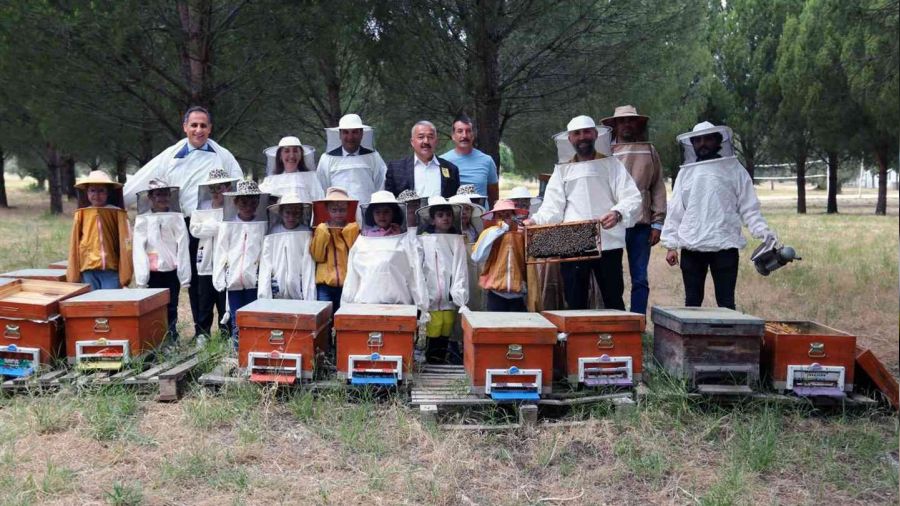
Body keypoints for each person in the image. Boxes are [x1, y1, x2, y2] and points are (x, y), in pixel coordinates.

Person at [123, 106, 244, 339]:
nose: (198, 130)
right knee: (195, 281)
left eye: (203, 125)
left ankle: (228, 329)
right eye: (194, 125)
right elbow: (143, 178)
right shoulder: (171, 155)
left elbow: (238, 186)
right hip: (184, 225)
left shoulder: (223, 155)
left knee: (221, 275)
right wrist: (117, 200)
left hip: (219, 225)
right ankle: (200, 332)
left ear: (210, 128)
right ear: (185, 127)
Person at [524, 115, 642, 311]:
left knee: (613, 297)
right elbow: (552, 207)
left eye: (586, 132)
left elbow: (632, 197)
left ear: (595, 134)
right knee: (575, 300)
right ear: (570, 139)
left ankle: (618, 340)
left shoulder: (612, 165)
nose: (582, 137)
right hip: (572, 240)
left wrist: (618, 213)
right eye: (577, 134)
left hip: (607, 239)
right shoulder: (562, 170)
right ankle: (577, 341)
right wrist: (534, 220)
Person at [661, 121, 776, 310]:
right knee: (692, 303)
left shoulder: (735, 169)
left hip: (725, 245)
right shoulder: (686, 173)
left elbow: (749, 207)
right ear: (692, 144)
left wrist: (762, 232)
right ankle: (692, 340)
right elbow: (675, 211)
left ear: (718, 141)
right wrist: (670, 245)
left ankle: (727, 339)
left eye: (708, 139)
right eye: (698, 140)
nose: (703, 143)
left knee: (726, 303)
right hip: (692, 246)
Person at [601, 105, 667, 315]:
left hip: (641, 223)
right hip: (611, 223)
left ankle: (638, 320)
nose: (627, 124)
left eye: (630, 120)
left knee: (639, 277)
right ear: (615, 126)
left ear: (638, 123)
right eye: (622, 121)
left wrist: (658, 222)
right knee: (612, 276)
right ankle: (618, 320)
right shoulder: (605, 152)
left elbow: (657, 186)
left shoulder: (649, 150)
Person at [341, 191, 428, 324]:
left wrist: (421, 306)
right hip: (366, 304)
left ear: (394, 213)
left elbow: (415, 275)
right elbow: (353, 276)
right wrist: (346, 305)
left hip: (400, 305)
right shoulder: (362, 241)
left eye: (386, 211)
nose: (382, 216)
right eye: (378, 212)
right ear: (371, 214)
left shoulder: (405, 240)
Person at [133, 179, 190, 341]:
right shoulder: (143, 219)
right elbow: (138, 248)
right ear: (150, 197)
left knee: (172, 305)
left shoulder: (176, 217)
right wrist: (141, 278)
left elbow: (183, 245)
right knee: (152, 306)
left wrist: (184, 276)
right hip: (151, 272)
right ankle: (154, 337)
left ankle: (171, 336)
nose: (163, 198)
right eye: (158, 194)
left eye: (166, 194)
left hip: (171, 270)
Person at [213, 180, 269, 345]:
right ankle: (237, 347)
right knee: (236, 315)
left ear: (258, 202)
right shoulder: (228, 225)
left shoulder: (262, 225)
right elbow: (221, 251)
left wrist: (262, 277)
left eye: (252, 202)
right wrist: (219, 277)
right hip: (233, 280)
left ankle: (254, 346)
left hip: (254, 279)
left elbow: (265, 254)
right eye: (243, 201)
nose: (248, 206)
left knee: (253, 314)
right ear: (236, 202)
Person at [416, 197, 469, 364]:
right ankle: (431, 359)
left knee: (447, 325)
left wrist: (458, 293)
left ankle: (439, 359)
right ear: (432, 220)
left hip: (449, 293)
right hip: (431, 292)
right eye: (440, 215)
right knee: (434, 326)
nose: (445, 218)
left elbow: (460, 267)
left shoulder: (456, 239)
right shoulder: (424, 239)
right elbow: (419, 267)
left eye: (448, 214)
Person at [189, 169, 238, 338]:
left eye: (220, 188)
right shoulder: (200, 210)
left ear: (228, 187)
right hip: (205, 265)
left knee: (224, 302)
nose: (216, 192)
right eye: (213, 188)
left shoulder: (234, 210)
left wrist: (209, 227)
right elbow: (195, 230)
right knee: (204, 303)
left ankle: (226, 336)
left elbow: (233, 233)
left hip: (226, 265)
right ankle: (202, 334)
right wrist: (217, 226)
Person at [67, 170, 133, 290]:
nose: (96, 194)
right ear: (87, 192)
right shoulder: (81, 214)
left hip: (111, 268)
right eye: (92, 190)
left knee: (110, 303)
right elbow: (74, 243)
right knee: (93, 304)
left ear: (108, 193)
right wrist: (73, 274)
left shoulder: (117, 213)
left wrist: (125, 274)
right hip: (88, 268)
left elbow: (126, 241)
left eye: (101, 190)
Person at [316, 114, 388, 206]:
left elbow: (381, 187)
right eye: (346, 132)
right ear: (340, 134)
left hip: (367, 213)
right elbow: (322, 189)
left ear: (361, 134)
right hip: (338, 215)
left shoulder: (373, 157)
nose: (350, 137)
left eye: (354, 132)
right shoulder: (327, 159)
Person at [471, 200, 529, 312]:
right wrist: (500, 229)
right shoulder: (489, 233)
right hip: (495, 294)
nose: (504, 218)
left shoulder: (522, 235)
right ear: (494, 217)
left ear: (514, 216)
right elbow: (477, 257)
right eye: (500, 215)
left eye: (507, 215)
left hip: (519, 294)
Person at [310, 187, 360, 313]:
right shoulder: (321, 229)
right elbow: (317, 256)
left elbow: (356, 256)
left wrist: (347, 232)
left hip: (348, 283)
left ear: (348, 209)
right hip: (324, 284)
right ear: (327, 209)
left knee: (344, 317)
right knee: (324, 317)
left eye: (342, 210)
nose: (338, 213)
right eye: (334, 210)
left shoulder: (353, 229)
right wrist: (323, 234)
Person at [258, 193, 317, 300]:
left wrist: (309, 296)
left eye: (296, 213)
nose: (291, 217)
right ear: (281, 213)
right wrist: (264, 293)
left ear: (301, 213)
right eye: (288, 213)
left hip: (299, 290)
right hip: (276, 288)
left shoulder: (306, 233)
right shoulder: (273, 232)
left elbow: (308, 265)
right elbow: (266, 262)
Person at [385, 121, 461, 199]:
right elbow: (389, 203)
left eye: (430, 137)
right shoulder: (396, 169)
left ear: (436, 141)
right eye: (421, 137)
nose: (426, 141)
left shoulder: (451, 169)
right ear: (412, 142)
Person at [440, 114, 499, 206]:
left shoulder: (487, 161)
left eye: (468, 131)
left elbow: (494, 198)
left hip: (481, 217)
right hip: (455, 216)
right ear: (453, 136)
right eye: (460, 131)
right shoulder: (442, 161)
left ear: (473, 135)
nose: (464, 135)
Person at [260, 136, 324, 201]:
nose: (292, 156)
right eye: (287, 151)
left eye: (295, 151)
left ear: (301, 155)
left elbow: (319, 202)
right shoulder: (270, 181)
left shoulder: (311, 178)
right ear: (280, 156)